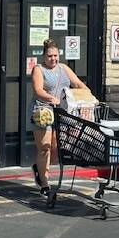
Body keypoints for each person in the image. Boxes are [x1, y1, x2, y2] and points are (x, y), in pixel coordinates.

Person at [31, 38, 88, 194]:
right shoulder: (38, 69)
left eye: (55, 55)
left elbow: (77, 83)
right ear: (44, 56)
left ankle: (39, 168)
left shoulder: (63, 68)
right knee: (45, 148)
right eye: (50, 56)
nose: (53, 59)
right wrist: (51, 98)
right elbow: (38, 90)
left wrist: (88, 95)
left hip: (61, 112)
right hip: (43, 112)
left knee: (56, 148)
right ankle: (44, 183)